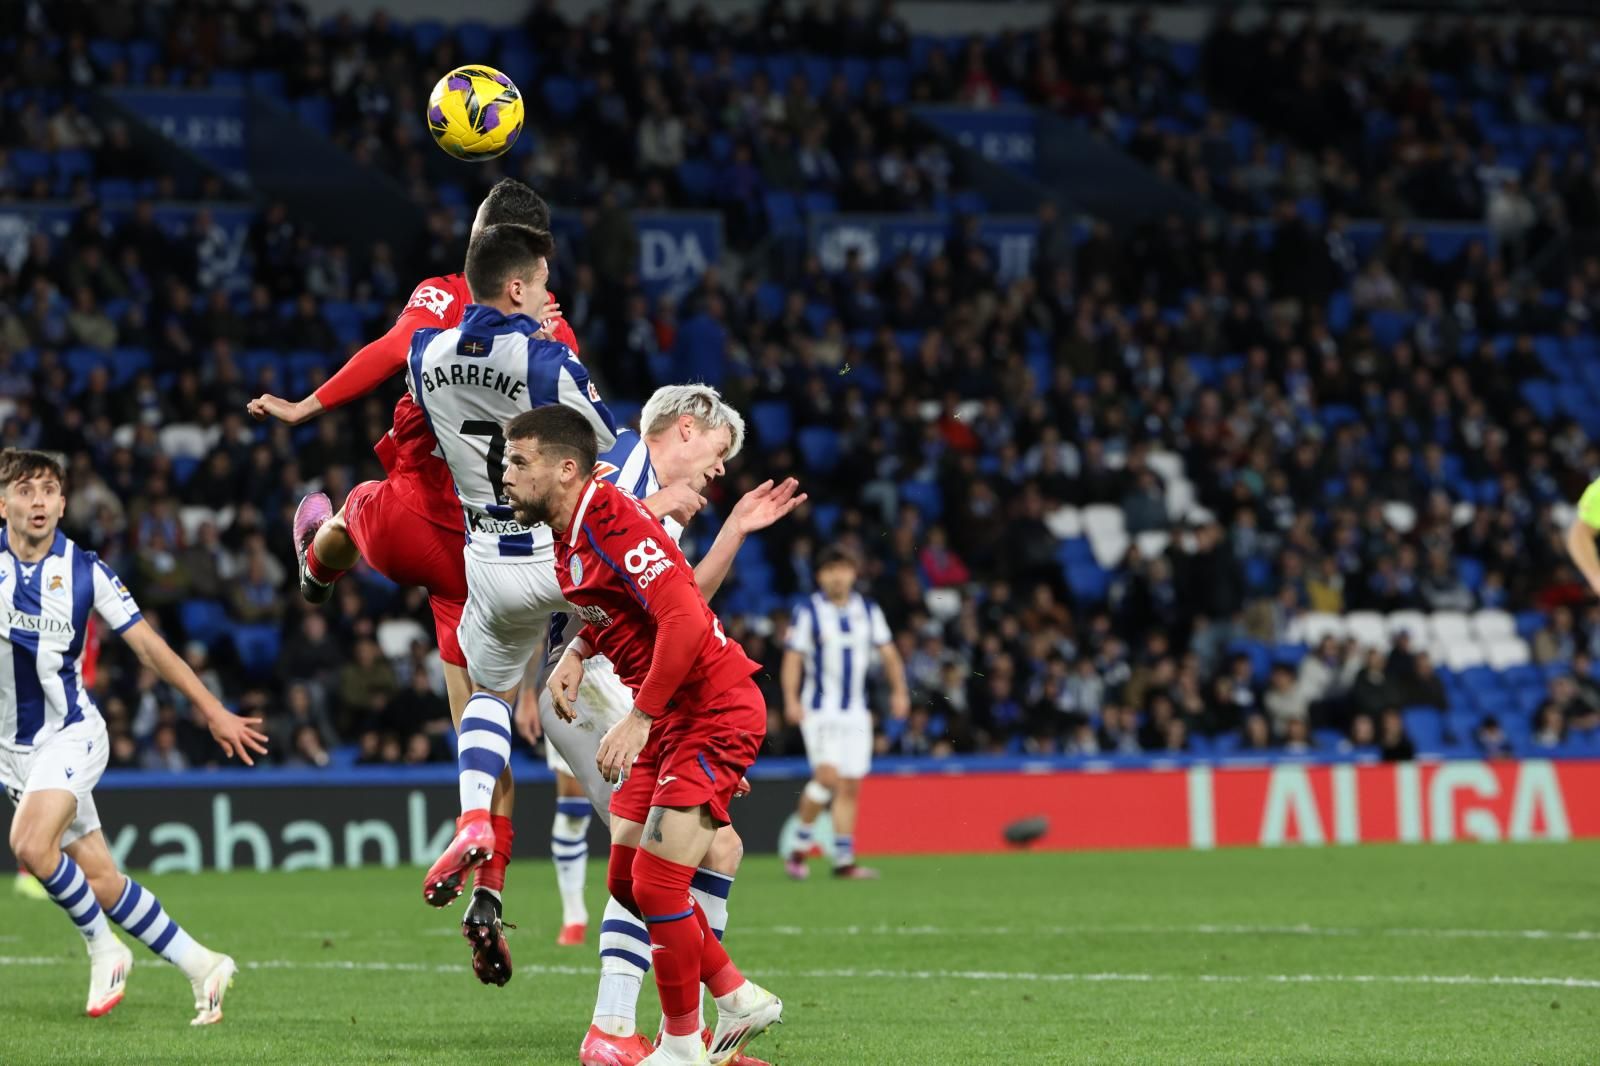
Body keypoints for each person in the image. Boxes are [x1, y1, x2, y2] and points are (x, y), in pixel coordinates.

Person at [246, 178, 566, 985]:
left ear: (480, 242)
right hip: (493, 560)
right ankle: (489, 892)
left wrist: (305, 407)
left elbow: (391, 352)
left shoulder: (442, 296)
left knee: (351, 508)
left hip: (415, 520)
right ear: (531, 262)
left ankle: (315, 566)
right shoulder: (548, 328)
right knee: (483, 733)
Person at [530, 385, 802, 1065]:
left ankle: (705, 1022)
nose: (721, 468)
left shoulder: (639, 502)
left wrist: (732, 530)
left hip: (669, 694)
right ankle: (641, 1027)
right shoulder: (619, 472)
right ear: (686, 428)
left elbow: (666, 600)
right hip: (631, 694)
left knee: (683, 859)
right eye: (719, 452)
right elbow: (629, 581)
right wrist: (587, 665)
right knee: (660, 871)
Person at [0, 449, 268, 1022]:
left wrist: (213, 711)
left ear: (65, 503)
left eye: (49, 489)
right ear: (4, 504)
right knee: (100, 881)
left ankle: (105, 950)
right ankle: (204, 965)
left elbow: (149, 647)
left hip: (71, 736)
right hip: (13, 755)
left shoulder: (85, 571)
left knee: (27, 844)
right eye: (25, 490)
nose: (39, 500)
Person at [404, 226, 617, 941]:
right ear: (520, 287)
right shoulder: (547, 358)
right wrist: (559, 350)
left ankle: (472, 820)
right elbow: (598, 444)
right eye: (543, 282)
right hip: (557, 559)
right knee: (648, 625)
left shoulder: (422, 353)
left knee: (488, 698)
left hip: (486, 564)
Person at [782, 545, 910, 880]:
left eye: (843, 568)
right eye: (830, 569)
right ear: (820, 575)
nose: (837, 575)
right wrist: (791, 699)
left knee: (850, 785)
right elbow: (793, 658)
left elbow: (889, 653)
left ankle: (843, 861)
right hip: (820, 711)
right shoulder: (808, 610)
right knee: (827, 777)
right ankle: (798, 848)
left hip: (856, 711)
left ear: (854, 573)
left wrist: (899, 691)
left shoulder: (867, 610)